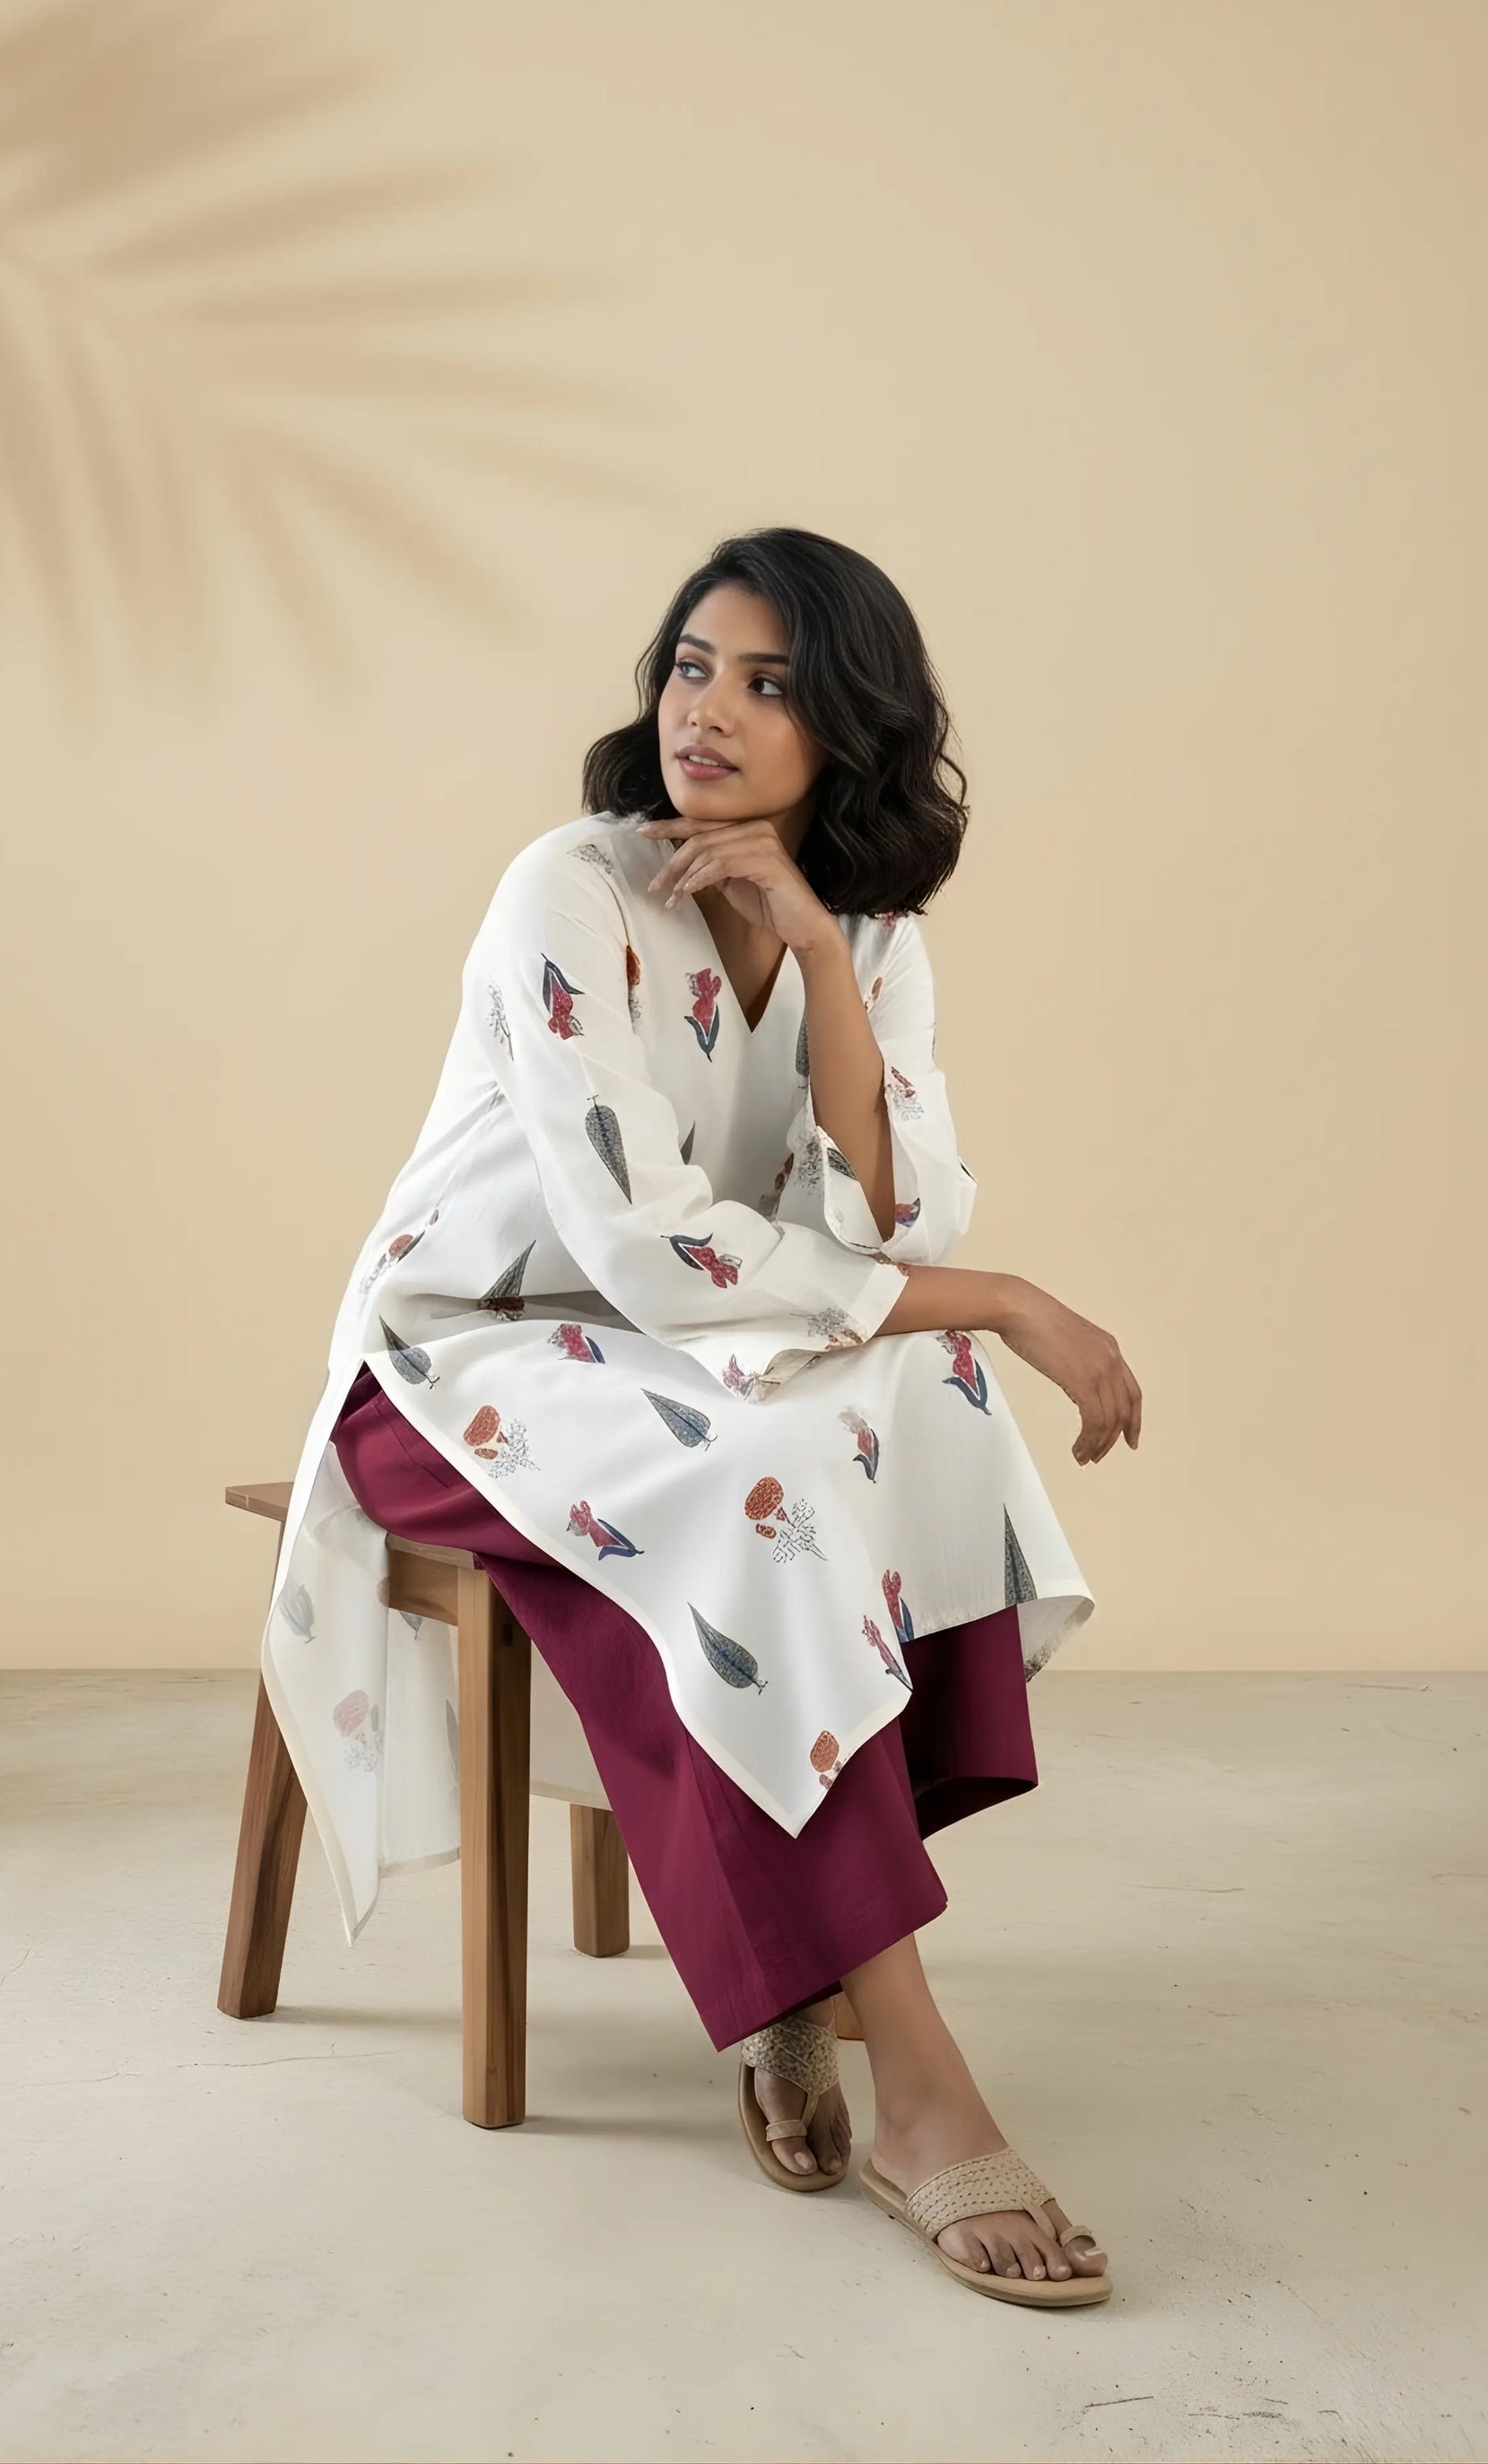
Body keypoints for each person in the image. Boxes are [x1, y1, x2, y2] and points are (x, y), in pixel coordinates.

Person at [273, 527, 1141, 2306]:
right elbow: (649, 1248)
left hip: (682, 1355)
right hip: (462, 1365)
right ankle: (911, 2076)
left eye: (765, 681)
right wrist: (1017, 1299)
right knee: (777, 1472)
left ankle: (805, 1971)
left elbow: (888, 1228)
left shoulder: (869, 925)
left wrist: (818, 957)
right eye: (688, 664)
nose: (708, 711)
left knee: (924, 1396)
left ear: (852, 724)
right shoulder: (567, 891)